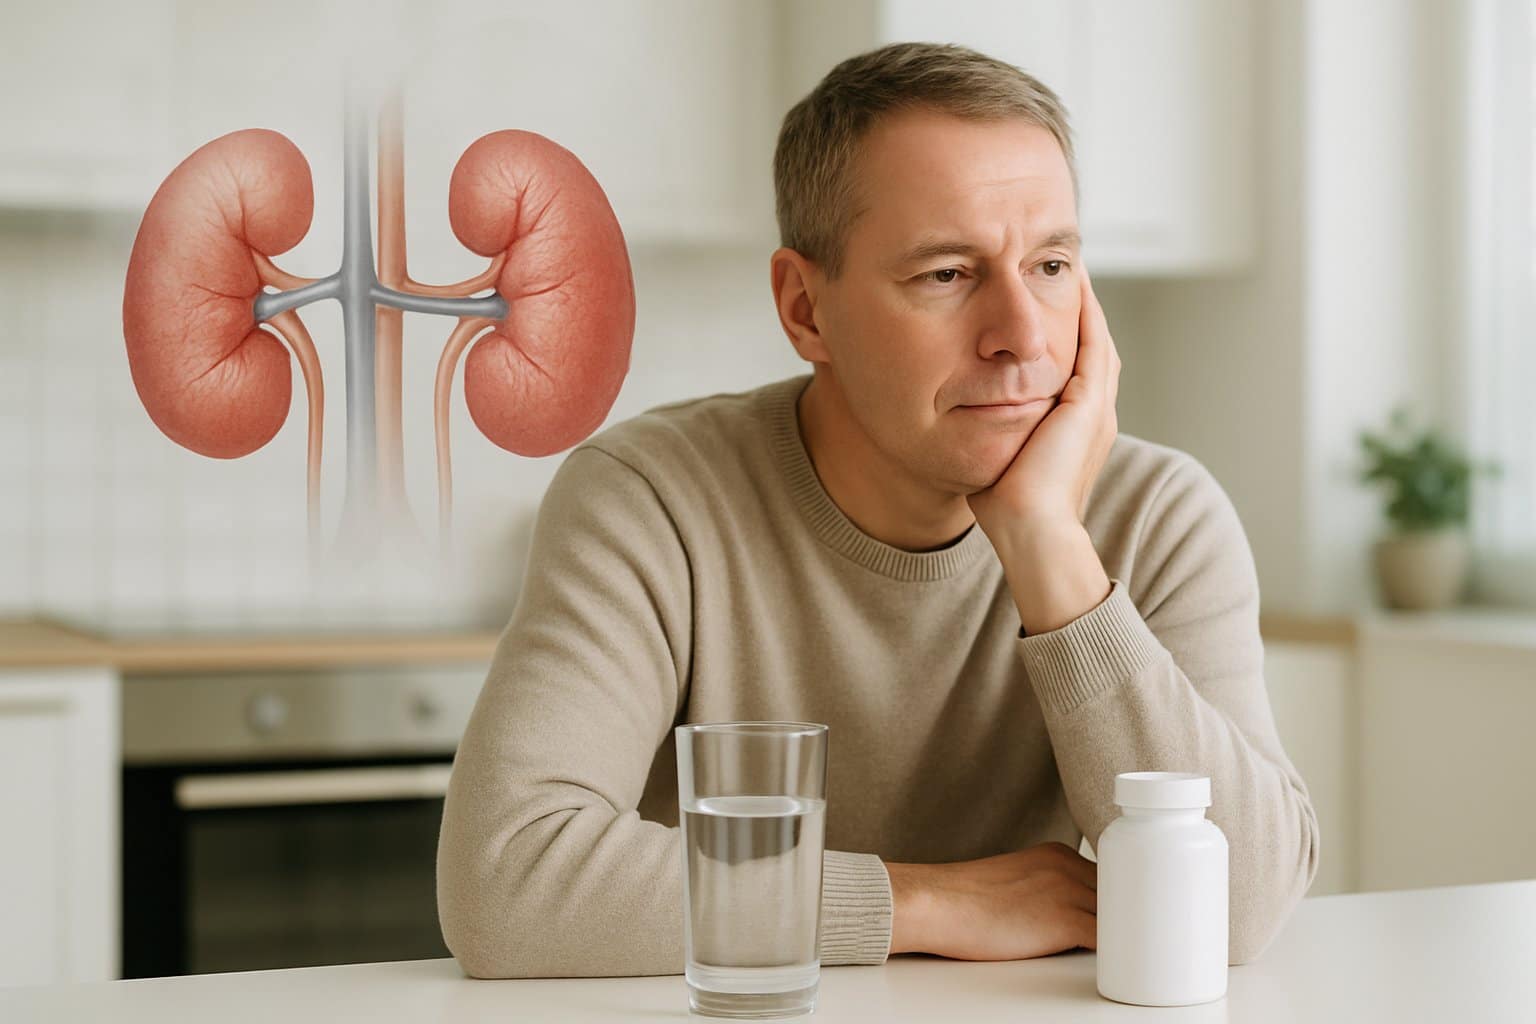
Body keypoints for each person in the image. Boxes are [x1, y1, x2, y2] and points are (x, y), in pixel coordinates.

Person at [436, 40, 1320, 978]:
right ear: (805, 308)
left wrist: (1047, 545)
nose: (1023, 337)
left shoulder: (1159, 517)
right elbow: (506, 881)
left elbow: (1234, 911)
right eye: (947, 274)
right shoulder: (652, 500)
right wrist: (924, 901)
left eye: (1052, 265)